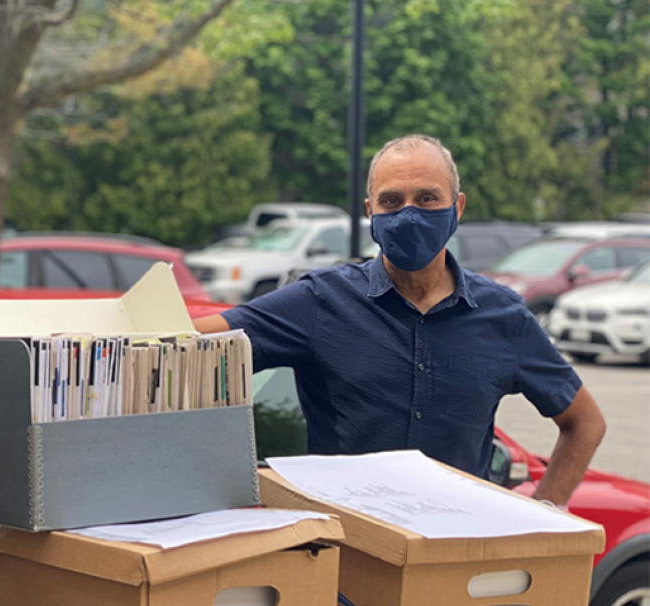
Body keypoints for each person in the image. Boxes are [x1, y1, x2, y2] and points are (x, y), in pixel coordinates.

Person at [195, 134, 606, 505]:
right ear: (371, 211)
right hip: (348, 563)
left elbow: (584, 421)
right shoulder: (321, 302)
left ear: (457, 207)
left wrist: (543, 513)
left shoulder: (504, 316)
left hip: (455, 563)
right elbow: (189, 342)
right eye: (392, 201)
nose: (409, 214)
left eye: (427, 198)